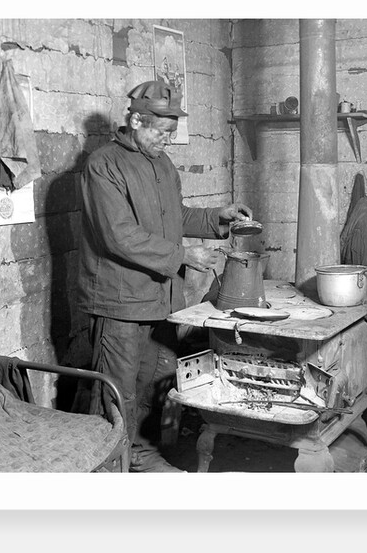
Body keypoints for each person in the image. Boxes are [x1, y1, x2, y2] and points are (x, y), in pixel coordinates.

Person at [77, 80, 253, 472]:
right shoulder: (102, 165)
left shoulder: (161, 165)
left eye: (172, 133)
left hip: (160, 299)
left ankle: (137, 454)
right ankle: (107, 468)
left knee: (151, 386)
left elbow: (173, 218)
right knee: (116, 391)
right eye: (162, 132)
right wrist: (184, 256)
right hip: (119, 301)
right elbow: (118, 236)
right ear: (137, 120)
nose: (167, 141)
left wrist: (214, 217)